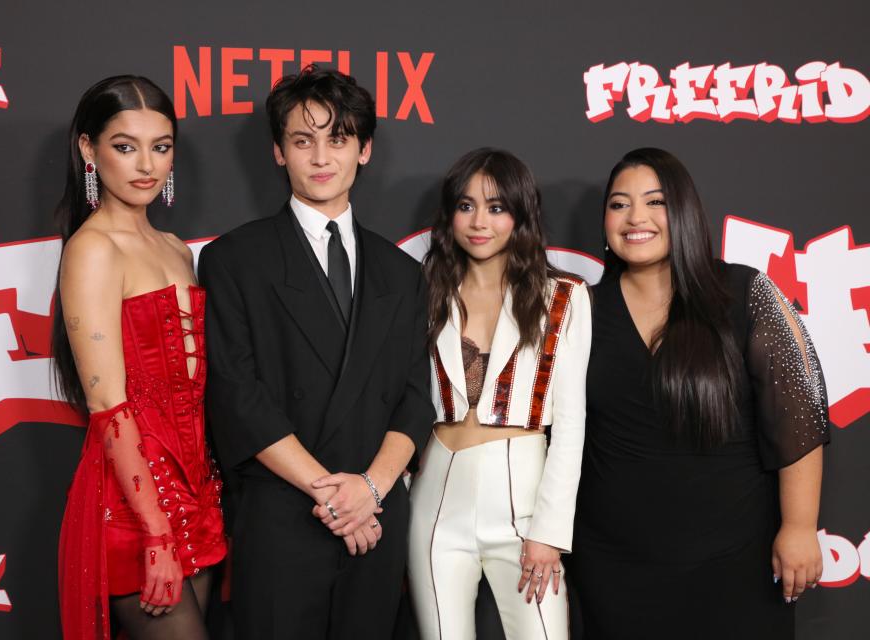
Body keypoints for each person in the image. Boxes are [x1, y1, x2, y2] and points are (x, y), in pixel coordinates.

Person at [197, 65, 434, 640]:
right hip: (283, 511)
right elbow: (237, 395)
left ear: (365, 149)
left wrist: (369, 490)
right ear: (279, 152)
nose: (321, 156)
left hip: (373, 520)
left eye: (339, 138)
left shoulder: (401, 272)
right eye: (303, 140)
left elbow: (413, 397)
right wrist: (331, 496)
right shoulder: (235, 259)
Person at [567, 148, 829, 639]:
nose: (635, 218)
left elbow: (800, 414)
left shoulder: (744, 291)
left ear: (684, 210)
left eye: (655, 202)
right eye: (619, 204)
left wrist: (799, 526)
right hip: (613, 571)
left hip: (735, 566)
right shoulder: (579, 309)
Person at [54, 75, 226, 640]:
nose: (146, 164)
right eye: (124, 147)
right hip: (133, 501)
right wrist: (154, 528)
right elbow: (108, 402)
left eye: (161, 146)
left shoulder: (175, 249)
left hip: (200, 490)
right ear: (88, 149)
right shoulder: (92, 248)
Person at [408, 148, 591, 639]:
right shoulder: (422, 292)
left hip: (525, 501)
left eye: (496, 207)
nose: (478, 221)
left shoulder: (564, 297)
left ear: (520, 213)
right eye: (465, 206)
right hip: (436, 501)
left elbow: (571, 425)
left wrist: (549, 533)